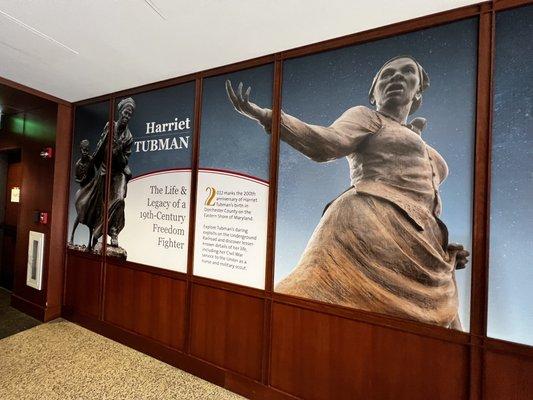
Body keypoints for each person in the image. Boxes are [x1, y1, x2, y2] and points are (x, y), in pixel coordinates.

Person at [225, 55, 469, 329]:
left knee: (437, 333)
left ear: (418, 94)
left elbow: (425, 201)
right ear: (373, 95)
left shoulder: (430, 151)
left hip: (420, 246)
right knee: (312, 301)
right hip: (366, 223)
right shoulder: (368, 118)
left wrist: (440, 244)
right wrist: (270, 116)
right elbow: (325, 144)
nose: (396, 77)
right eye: (387, 75)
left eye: (406, 72)